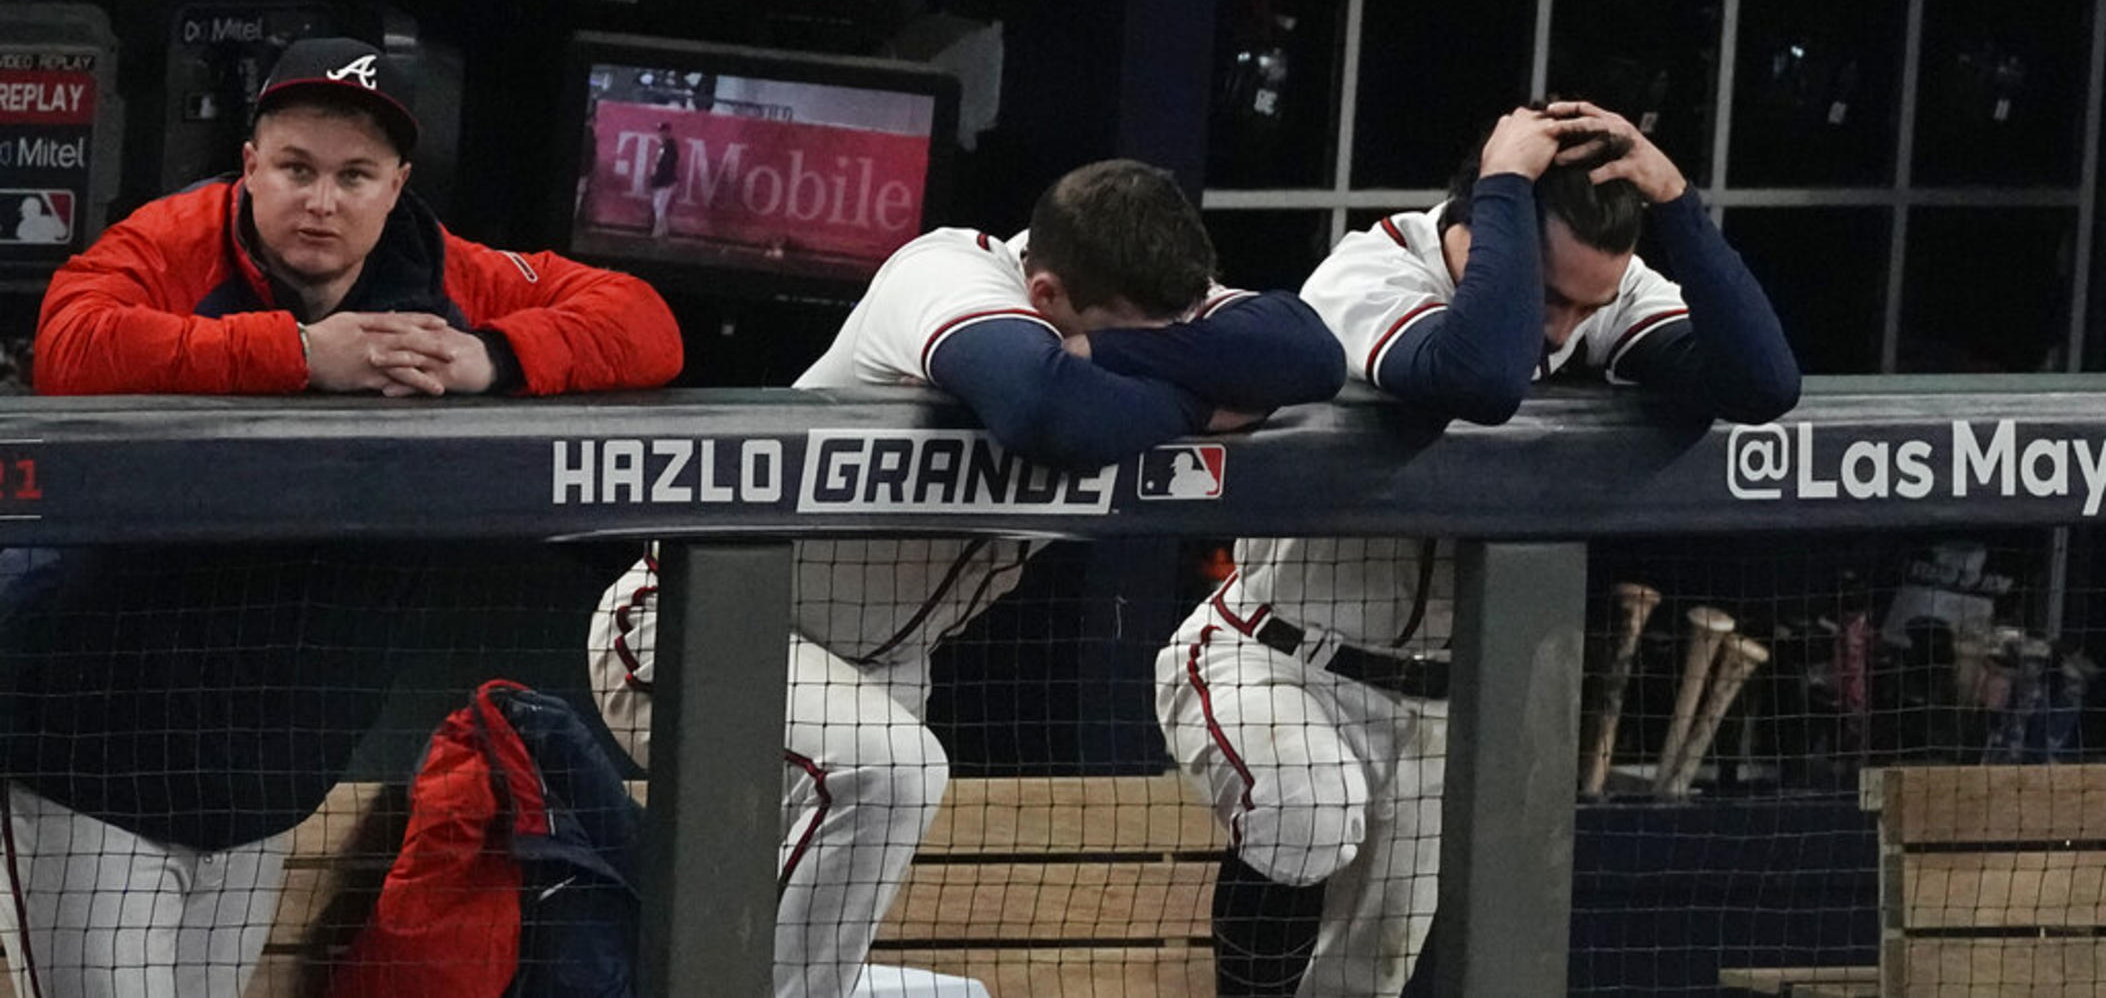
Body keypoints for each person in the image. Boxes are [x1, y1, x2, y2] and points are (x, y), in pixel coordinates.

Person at [7, 36, 684, 998]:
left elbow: (642, 319)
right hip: (91, 762)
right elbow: (70, 342)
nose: (322, 201)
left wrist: (492, 357)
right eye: (296, 169)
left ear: (398, 184)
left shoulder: (445, 273)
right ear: (249, 166)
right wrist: (298, 353)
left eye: (355, 175)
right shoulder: (177, 240)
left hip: (262, 788)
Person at [589, 158, 1346, 998]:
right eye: (1138, 334)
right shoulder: (946, 272)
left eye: (1183, 330)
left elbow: (1309, 355)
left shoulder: (1144, 286)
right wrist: (1200, 402)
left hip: (877, 674)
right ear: (1046, 293)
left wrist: (1117, 352)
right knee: (896, 768)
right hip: (699, 625)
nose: (1175, 343)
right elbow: (1046, 406)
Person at [1155, 99, 1800, 997]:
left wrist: (1679, 205)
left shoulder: (1589, 294)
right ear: (1478, 227)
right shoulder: (1372, 269)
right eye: (1549, 295)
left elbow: (1764, 382)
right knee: (1308, 810)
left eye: (1589, 305)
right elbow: (1481, 378)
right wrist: (1503, 184)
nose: (1564, 329)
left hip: (1438, 709)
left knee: (1362, 983)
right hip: (1279, 658)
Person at [648, 121, 677, 238]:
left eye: (662, 131)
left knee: (659, 206)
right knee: (659, 206)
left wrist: (659, 179)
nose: (659, 134)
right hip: (663, 181)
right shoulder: (664, 146)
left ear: (667, 132)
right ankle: (663, 231)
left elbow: (667, 166)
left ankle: (658, 232)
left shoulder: (670, 147)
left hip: (665, 182)